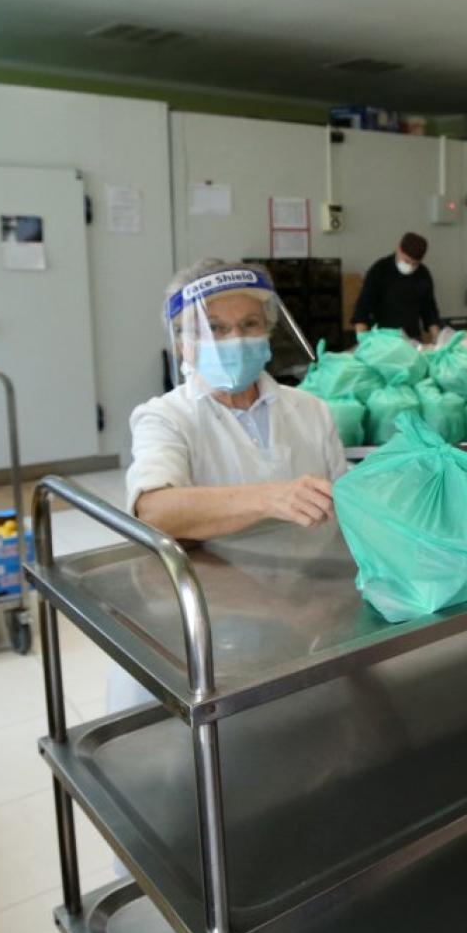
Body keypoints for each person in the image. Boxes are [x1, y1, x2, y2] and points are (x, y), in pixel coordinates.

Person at [110, 261, 349, 714]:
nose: (234, 340)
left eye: (249, 325)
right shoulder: (166, 417)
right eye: (214, 328)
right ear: (183, 342)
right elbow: (154, 510)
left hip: (305, 618)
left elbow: (345, 511)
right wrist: (271, 497)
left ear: (268, 329)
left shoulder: (310, 410)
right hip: (204, 637)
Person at [352, 231, 440, 341]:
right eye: (407, 261)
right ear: (399, 249)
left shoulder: (423, 274)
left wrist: (437, 338)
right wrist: (363, 340)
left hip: (412, 339)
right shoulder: (380, 270)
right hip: (382, 339)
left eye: (415, 264)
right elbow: (363, 307)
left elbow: (429, 309)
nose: (411, 267)